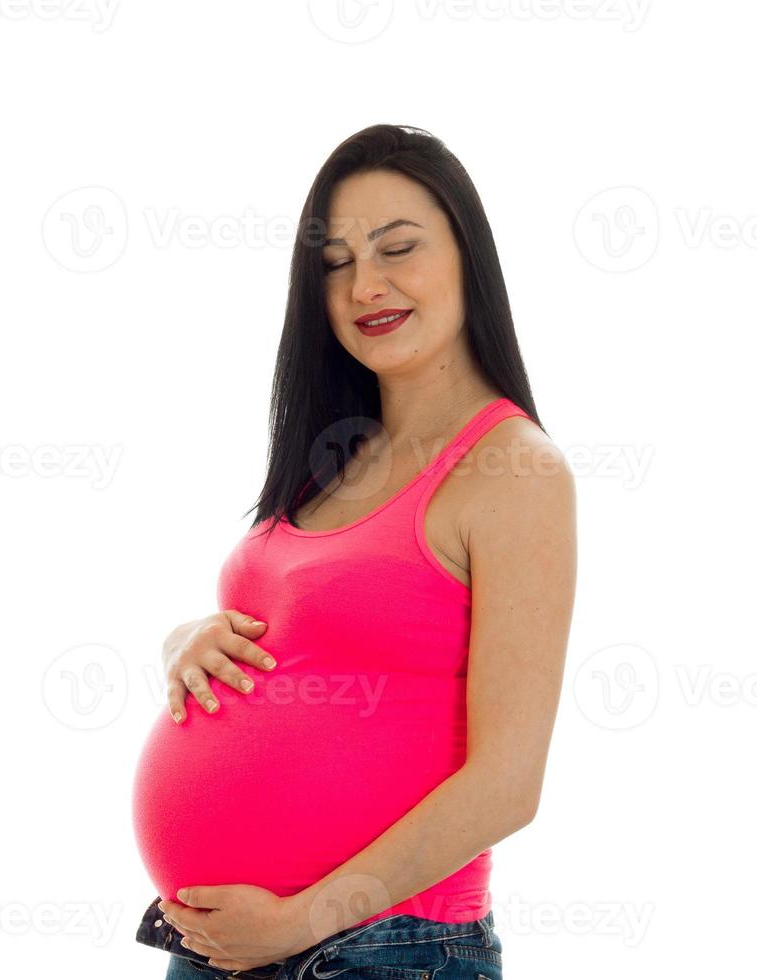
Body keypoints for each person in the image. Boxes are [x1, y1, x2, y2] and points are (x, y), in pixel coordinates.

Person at [130, 124, 577, 979]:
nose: (365, 284)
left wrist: (301, 920)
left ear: (467, 256)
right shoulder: (336, 452)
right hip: (222, 947)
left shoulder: (515, 473)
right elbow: (291, 627)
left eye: (397, 248)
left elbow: (507, 784)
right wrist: (183, 641)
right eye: (335, 264)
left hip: (373, 951)